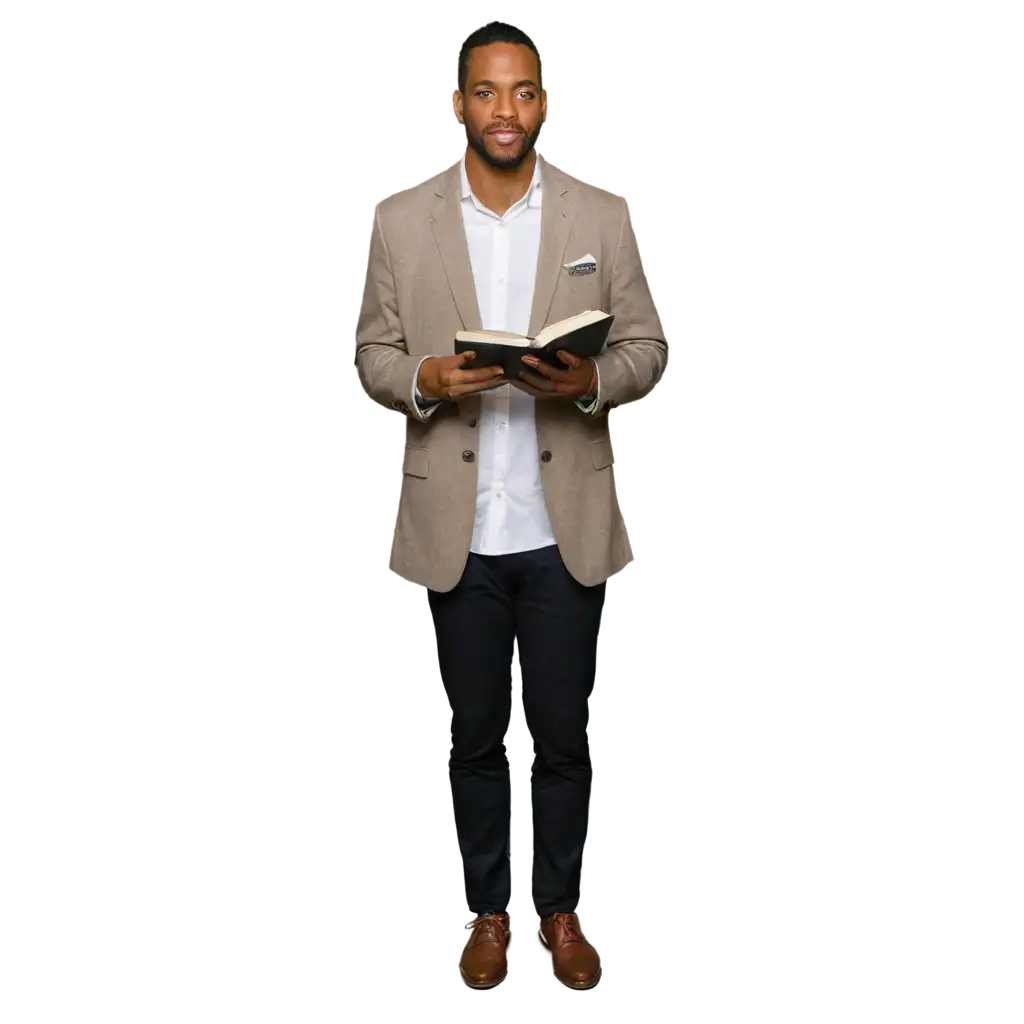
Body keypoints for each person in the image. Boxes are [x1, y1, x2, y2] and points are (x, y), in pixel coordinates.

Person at [353, 15, 666, 990]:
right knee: (479, 739)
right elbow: (371, 351)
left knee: (566, 741)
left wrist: (583, 383)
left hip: (563, 524)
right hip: (459, 531)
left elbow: (646, 348)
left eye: (522, 91)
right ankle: (488, 912)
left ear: (543, 102)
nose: (504, 110)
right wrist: (421, 382)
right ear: (458, 103)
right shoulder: (395, 220)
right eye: (485, 92)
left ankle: (560, 914)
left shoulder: (597, 217)